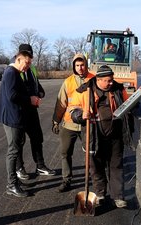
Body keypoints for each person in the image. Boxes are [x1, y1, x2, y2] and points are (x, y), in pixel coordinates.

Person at [69, 65, 133, 208]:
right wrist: (80, 115)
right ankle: (100, 194)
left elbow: (128, 105)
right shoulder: (84, 91)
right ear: (98, 80)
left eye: (111, 80)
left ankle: (118, 197)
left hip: (115, 135)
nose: (111, 83)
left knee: (116, 165)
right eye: (108, 81)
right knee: (96, 167)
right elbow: (72, 109)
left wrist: (135, 101)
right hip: (94, 135)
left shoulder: (118, 89)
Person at [0, 44, 39, 197]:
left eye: (29, 64)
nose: (28, 67)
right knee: (13, 151)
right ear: (18, 59)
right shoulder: (10, 73)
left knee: (15, 148)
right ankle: (11, 185)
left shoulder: (15, 72)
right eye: (26, 63)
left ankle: (14, 181)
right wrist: (30, 99)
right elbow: (12, 96)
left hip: (16, 117)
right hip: (12, 118)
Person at [52, 53, 95, 192]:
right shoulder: (68, 82)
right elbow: (61, 103)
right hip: (69, 124)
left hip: (87, 123)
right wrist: (56, 121)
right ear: (73, 66)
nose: (80, 68)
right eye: (77, 65)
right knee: (65, 153)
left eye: (82, 65)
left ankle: (94, 179)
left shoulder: (94, 79)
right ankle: (66, 180)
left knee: (91, 152)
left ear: (86, 65)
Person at [13, 60, 56, 180]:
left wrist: (40, 91)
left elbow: (35, 82)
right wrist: (29, 98)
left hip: (32, 110)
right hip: (20, 111)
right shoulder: (14, 69)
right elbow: (14, 92)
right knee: (19, 141)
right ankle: (19, 168)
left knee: (37, 137)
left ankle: (40, 166)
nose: (29, 61)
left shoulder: (31, 68)